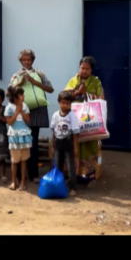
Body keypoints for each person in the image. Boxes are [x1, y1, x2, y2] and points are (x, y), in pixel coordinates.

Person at [10, 49, 54, 184]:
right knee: (19, 142)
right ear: (20, 61)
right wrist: (20, 82)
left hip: (36, 111)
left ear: (33, 61)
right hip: (20, 111)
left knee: (33, 143)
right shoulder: (16, 75)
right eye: (24, 60)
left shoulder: (39, 74)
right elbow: (9, 93)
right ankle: (17, 175)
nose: (26, 62)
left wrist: (35, 82)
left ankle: (33, 174)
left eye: (29, 59)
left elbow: (50, 89)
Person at [65, 56, 103, 188]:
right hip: (74, 119)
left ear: (92, 70)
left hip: (90, 120)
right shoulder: (73, 80)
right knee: (74, 145)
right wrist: (77, 93)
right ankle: (73, 175)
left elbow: (101, 98)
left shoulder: (96, 82)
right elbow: (64, 96)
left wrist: (87, 94)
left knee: (89, 145)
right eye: (82, 68)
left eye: (87, 69)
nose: (84, 71)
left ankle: (89, 176)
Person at [50, 91, 80, 196]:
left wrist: (75, 147)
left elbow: (75, 133)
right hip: (58, 143)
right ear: (59, 102)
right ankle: (59, 185)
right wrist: (52, 146)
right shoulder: (55, 115)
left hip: (68, 143)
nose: (65, 105)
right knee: (58, 165)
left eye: (67, 103)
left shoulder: (71, 115)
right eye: (63, 103)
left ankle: (73, 187)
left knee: (71, 166)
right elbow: (53, 132)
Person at [5, 85, 32, 191]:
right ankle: (13, 181)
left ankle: (23, 182)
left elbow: (28, 121)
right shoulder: (9, 107)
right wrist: (17, 111)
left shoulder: (25, 106)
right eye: (21, 95)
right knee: (14, 161)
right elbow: (10, 122)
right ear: (15, 97)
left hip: (24, 136)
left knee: (24, 160)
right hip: (14, 136)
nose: (23, 96)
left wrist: (21, 110)